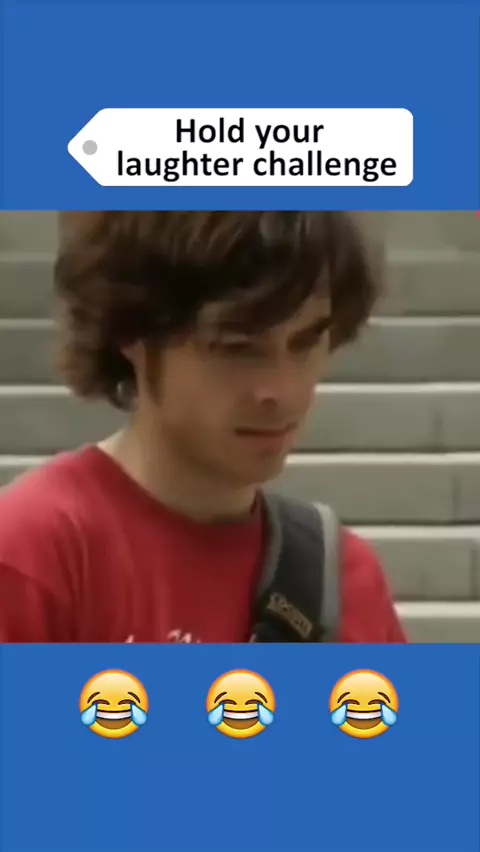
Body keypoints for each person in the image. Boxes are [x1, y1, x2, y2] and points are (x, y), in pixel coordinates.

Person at [0, 211, 406, 643]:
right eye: (237, 349)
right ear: (132, 335)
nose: (282, 391)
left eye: (305, 343)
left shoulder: (346, 584)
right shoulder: (31, 554)